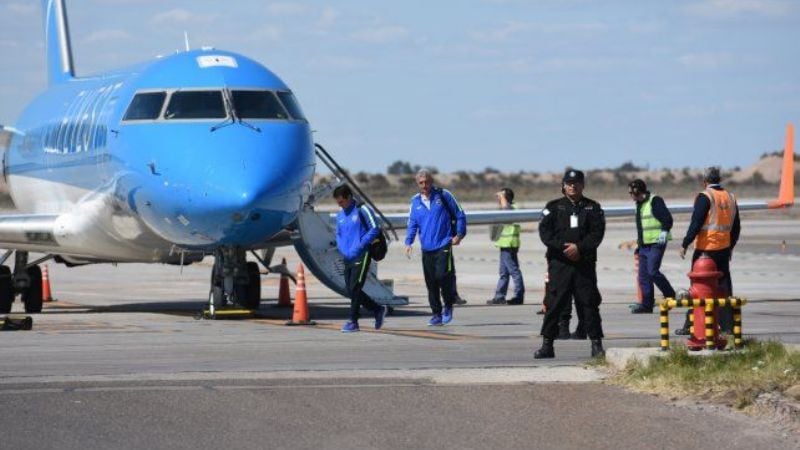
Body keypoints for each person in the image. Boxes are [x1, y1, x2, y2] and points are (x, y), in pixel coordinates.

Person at [534, 169, 606, 358]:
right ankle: (547, 345)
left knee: (589, 304)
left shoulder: (593, 208)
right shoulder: (553, 207)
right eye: (569, 183)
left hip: (584, 265)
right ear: (563, 186)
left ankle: (596, 345)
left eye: (576, 183)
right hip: (560, 265)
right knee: (554, 303)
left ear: (583, 185)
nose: (572, 186)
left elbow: (597, 234)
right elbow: (545, 233)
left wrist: (579, 248)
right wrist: (564, 249)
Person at [676, 166, 740, 334]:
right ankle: (728, 328)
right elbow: (736, 227)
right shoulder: (730, 197)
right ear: (719, 180)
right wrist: (730, 247)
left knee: (698, 288)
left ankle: (692, 326)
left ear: (704, 182)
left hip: (705, 250)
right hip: (723, 250)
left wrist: (685, 243)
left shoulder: (706, 197)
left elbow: (696, 223)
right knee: (724, 288)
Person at [405, 169, 467, 326]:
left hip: (444, 244)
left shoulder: (444, 195)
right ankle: (436, 314)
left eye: (426, 182)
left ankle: (448, 305)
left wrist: (459, 235)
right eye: (421, 183)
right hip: (427, 248)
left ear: (431, 181)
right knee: (431, 283)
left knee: (442, 277)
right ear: (417, 184)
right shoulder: (415, 202)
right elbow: (412, 224)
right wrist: (408, 242)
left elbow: (459, 214)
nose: (424, 185)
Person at [333, 185, 387, 333]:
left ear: (349, 198)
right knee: (350, 290)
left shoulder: (362, 210)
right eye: (338, 203)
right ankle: (377, 309)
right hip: (347, 255)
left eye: (342, 202)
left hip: (362, 254)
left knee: (356, 287)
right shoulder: (340, 215)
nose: (340, 205)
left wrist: (360, 245)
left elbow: (375, 228)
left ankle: (353, 321)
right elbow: (338, 234)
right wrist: (343, 248)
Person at [628, 179, 676, 314]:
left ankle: (670, 295)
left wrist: (664, 231)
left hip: (656, 243)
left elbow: (667, 219)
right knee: (643, 276)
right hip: (644, 245)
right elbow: (641, 227)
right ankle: (647, 305)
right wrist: (639, 245)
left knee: (653, 271)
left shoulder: (655, 201)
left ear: (638, 191)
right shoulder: (639, 204)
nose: (630, 195)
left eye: (631, 192)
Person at [487, 188, 525, 305]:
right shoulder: (508, 207)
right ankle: (499, 296)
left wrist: (502, 196)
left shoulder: (512, 208)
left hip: (509, 244)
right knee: (503, 273)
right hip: (505, 244)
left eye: (500, 197)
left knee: (514, 271)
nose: (498, 199)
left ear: (505, 197)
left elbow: (506, 211)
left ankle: (518, 296)